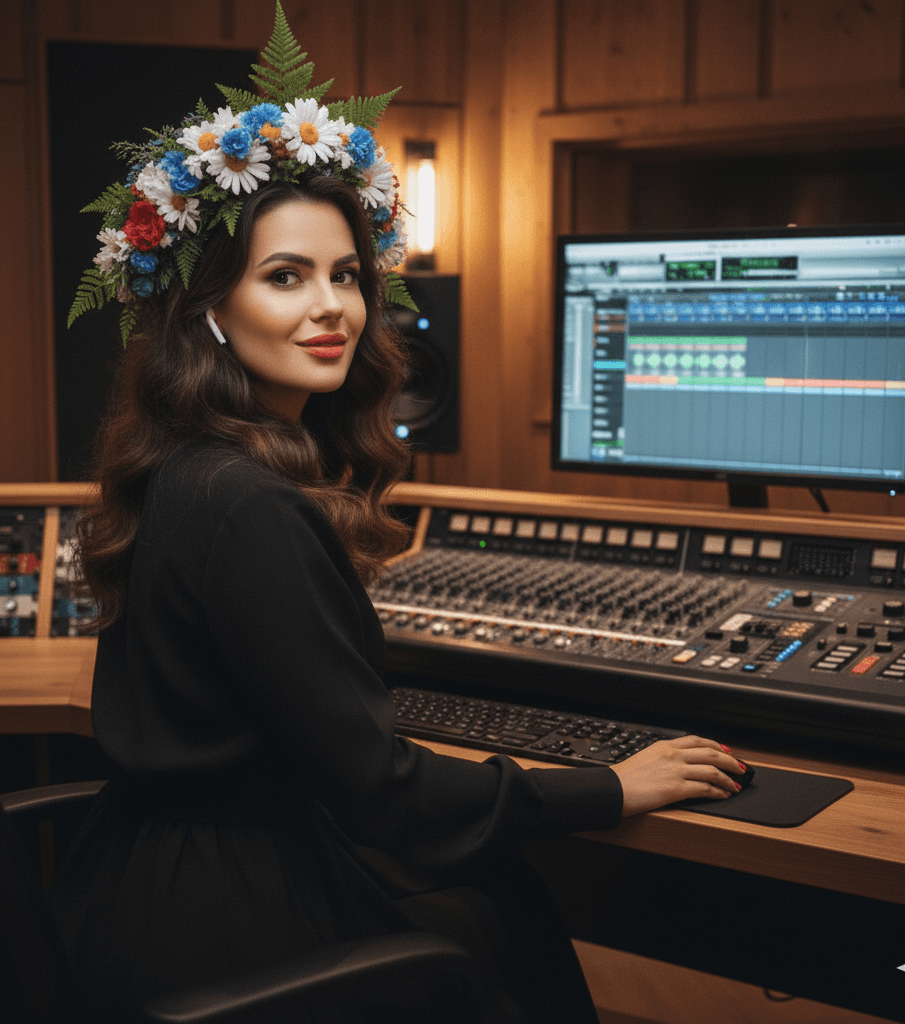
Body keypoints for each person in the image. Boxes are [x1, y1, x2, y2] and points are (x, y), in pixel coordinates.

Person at [53, 7, 748, 1022]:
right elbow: (385, 792)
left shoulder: (184, 468)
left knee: (493, 904)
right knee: (503, 914)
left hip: (137, 890)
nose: (331, 306)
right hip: (231, 920)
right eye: (284, 277)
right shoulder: (249, 505)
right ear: (209, 308)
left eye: (345, 275)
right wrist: (610, 784)